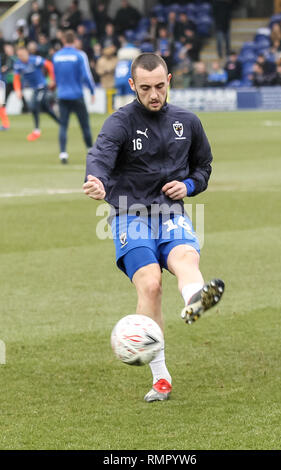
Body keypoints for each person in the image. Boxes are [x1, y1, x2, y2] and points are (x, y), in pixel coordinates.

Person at [82, 53, 225, 402]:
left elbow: (203, 167)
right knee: (151, 284)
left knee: (186, 257)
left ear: (170, 80)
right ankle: (160, 377)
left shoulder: (187, 122)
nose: (154, 94)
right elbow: (101, 155)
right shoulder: (120, 122)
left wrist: (188, 186)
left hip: (170, 212)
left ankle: (194, 300)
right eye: (145, 88)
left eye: (160, 86)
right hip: (129, 214)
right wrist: (96, 180)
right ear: (132, 85)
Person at [53, 29, 95, 164]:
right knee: (84, 125)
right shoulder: (79, 55)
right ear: (75, 40)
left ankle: (63, 153)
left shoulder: (56, 56)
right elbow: (86, 75)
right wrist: (92, 91)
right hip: (76, 94)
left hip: (62, 95)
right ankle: (90, 150)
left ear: (63, 40)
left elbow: (56, 77)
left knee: (63, 125)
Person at [13, 46, 60, 141]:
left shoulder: (35, 60)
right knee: (46, 108)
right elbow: (16, 79)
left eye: (22, 55)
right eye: (19, 55)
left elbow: (49, 65)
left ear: (27, 53)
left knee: (34, 105)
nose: (21, 57)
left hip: (42, 87)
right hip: (34, 89)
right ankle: (61, 123)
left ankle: (36, 131)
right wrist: (18, 90)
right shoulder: (18, 64)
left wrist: (52, 79)